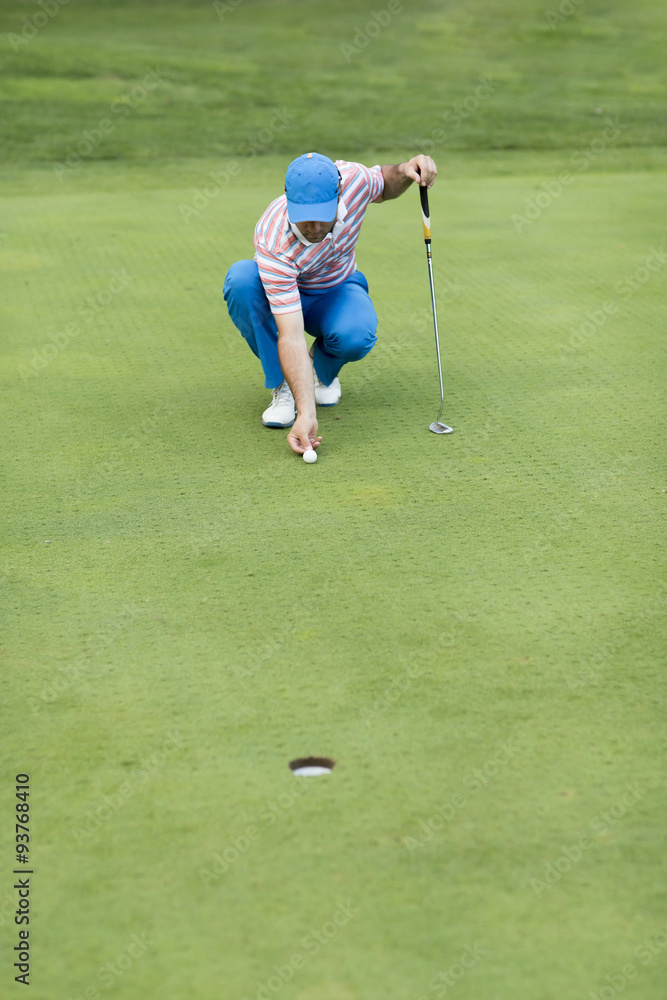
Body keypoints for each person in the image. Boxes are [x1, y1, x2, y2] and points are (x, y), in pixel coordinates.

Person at [223, 151, 437, 454]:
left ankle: (319, 373)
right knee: (242, 280)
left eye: (322, 215)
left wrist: (405, 170)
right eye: (304, 216)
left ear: (339, 195)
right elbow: (292, 335)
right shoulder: (273, 237)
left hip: (335, 289)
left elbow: (385, 184)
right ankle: (284, 386)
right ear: (287, 198)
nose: (313, 227)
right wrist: (306, 415)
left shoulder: (353, 180)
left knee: (357, 333)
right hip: (287, 297)